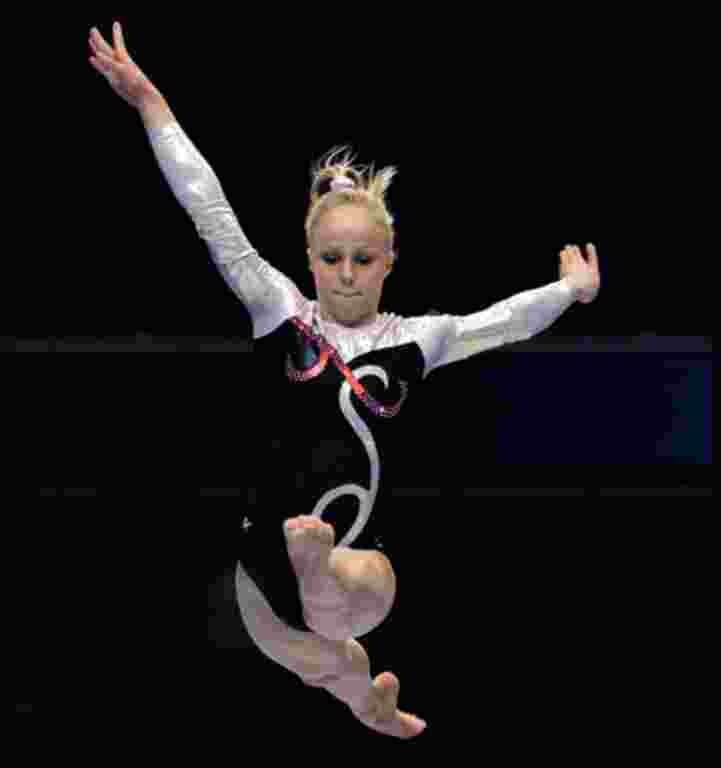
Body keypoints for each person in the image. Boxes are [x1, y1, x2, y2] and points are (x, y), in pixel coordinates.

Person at [89, 22, 600, 740]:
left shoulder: (416, 339)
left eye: (363, 258)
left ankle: (328, 589)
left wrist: (567, 292)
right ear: (309, 255)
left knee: (349, 616)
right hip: (260, 576)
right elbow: (208, 210)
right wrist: (150, 102)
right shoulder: (279, 309)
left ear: (390, 258)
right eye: (332, 259)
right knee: (337, 664)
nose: (348, 274)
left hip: (350, 562)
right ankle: (366, 696)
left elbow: (500, 322)